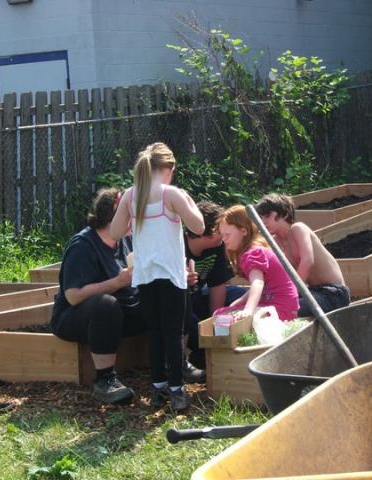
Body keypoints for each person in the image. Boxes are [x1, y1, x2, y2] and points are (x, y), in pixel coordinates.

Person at [111, 142, 204, 411]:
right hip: (172, 274)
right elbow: (198, 225)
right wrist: (187, 201)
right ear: (168, 168)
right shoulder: (171, 194)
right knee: (174, 333)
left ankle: (158, 388)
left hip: (145, 274)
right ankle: (176, 391)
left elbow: (116, 233)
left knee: (155, 333)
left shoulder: (131, 195)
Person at [51, 187, 146, 405]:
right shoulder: (82, 246)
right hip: (75, 317)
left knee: (159, 297)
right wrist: (117, 282)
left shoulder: (125, 240)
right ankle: (104, 380)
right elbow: (73, 296)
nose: (135, 219)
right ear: (114, 216)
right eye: (130, 214)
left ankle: (171, 369)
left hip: (120, 314)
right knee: (106, 305)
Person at [255, 193, 350, 316]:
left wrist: (290, 294)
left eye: (267, 216)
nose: (263, 222)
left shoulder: (298, 229)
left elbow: (307, 261)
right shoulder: (275, 242)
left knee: (284, 310)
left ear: (285, 214)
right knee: (268, 307)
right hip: (310, 292)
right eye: (260, 218)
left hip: (333, 293)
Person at [184, 201, 245, 371]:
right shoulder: (177, 245)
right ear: (208, 232)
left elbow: (218, 285)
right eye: (221, 231)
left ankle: (220, 343)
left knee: (240, 296)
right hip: (180, 302)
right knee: (189, 321)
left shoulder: (217, 246)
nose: (225, 236)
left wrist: (215, 321)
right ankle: (205, 354)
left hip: (199, 297)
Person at [216, 205, 299, 321]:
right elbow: (264, 284)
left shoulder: (253, 253)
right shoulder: (254, 250)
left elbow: (258, 283)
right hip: (282, 305)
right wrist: (241, 300)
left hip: (279, 308)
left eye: (227, 234)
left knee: (221, 316)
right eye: (222, 234)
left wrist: (248, 310)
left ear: (243, 231)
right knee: (223, 313)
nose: (223, 239)